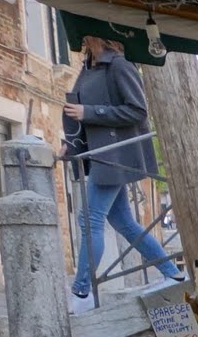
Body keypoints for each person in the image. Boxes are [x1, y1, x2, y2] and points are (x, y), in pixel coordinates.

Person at [62, 36, 182, 298]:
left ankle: (81, 290)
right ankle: (173, 272)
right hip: (99, 155)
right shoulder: (88, 66)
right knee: (123, 221)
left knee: (89, 219)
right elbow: (77, 111)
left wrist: (91, 112)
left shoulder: (119, 64)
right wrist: (70, 143)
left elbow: (137, 110)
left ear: (94, 33)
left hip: (115, 155)